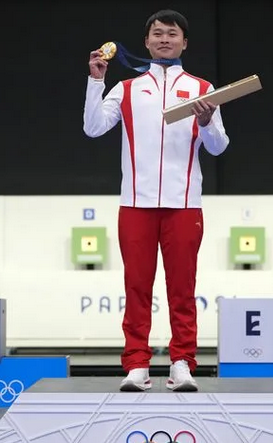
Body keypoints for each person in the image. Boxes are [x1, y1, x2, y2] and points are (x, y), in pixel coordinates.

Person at [83, 9, 229, 392]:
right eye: (158, 34)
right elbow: (93, 128)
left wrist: (205, 121)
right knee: (137, 286)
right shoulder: (128, 89)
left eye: (172, 34)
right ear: (147, 42)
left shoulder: (203, 88)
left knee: (183, 288)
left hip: (184, 205)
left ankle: (182, 362)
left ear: (184, 42)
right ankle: (136, 365)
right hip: (135, 204)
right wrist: (95, 82)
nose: (165, 39)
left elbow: (218, 146)